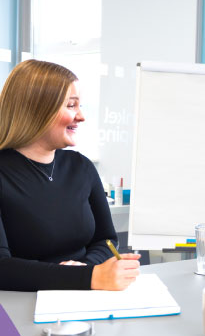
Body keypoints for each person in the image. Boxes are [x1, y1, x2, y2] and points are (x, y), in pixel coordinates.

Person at [0, 59, 140, 291]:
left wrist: (85, 268)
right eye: (71, 106)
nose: (81, 116)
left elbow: (106, 240)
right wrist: (87, 277)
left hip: (81, 298)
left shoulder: (81, 167)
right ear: (37, 108)